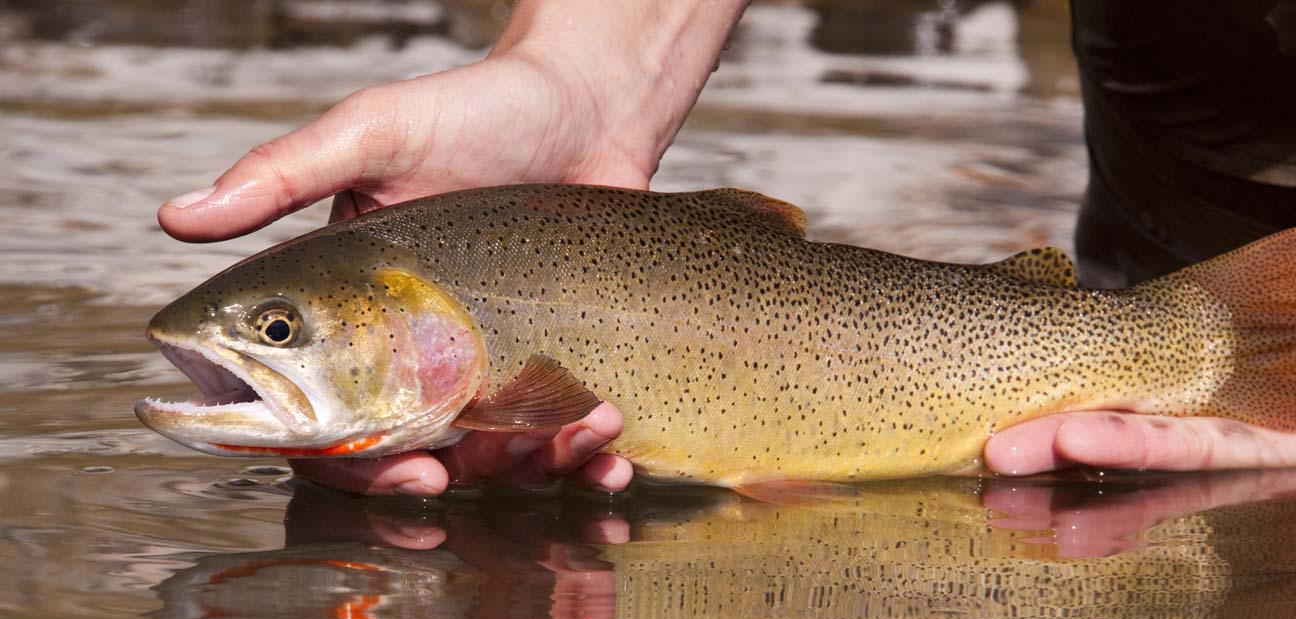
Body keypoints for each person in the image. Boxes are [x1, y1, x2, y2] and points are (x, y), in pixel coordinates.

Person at [157, 0, 1296, 496]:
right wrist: (586, 70)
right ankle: (1196, 348)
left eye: (278, 331)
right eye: (279, 329)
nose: (265, 342)